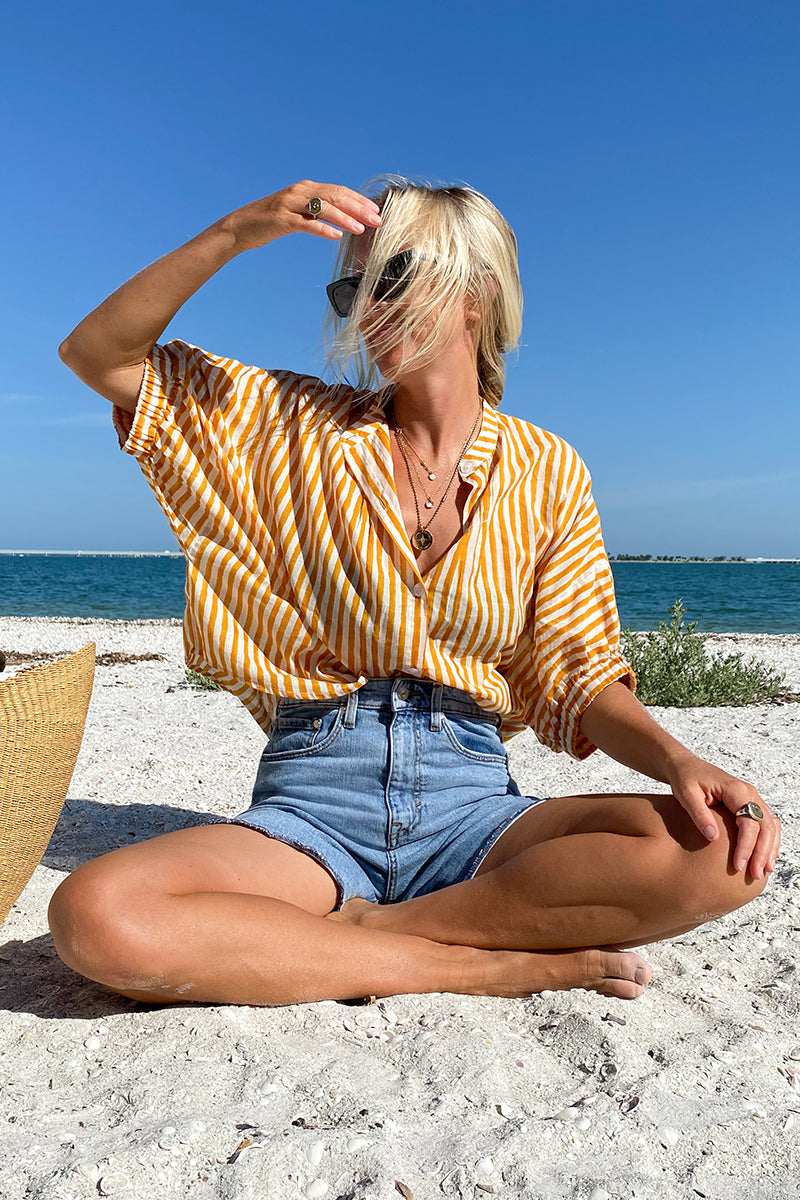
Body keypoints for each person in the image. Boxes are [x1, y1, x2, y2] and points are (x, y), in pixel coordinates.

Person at [49, 178, 780, 1007]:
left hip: (473, 805)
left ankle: (378, 934)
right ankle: (471, 960)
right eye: (349, 288)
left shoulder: (547, 470)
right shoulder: (292, 426)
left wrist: (683, 761)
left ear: (479, 292)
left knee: (722, 848)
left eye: (391, 278)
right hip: (313, 800)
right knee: (97, 913)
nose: (366, 308)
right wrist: (234, 232)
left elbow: (582, 678)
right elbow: (98, 355)